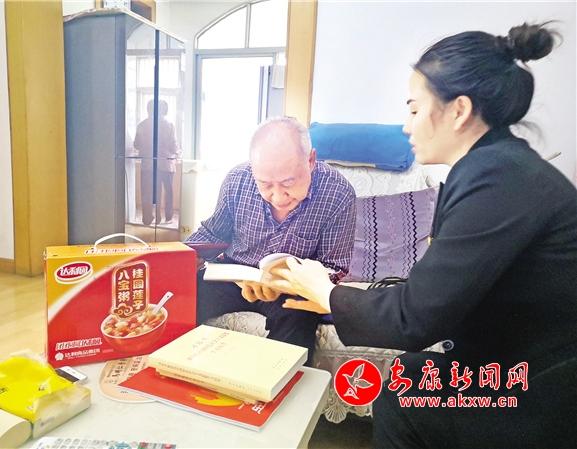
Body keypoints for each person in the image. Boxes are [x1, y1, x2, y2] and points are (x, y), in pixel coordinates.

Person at [274, 23, 577, 447]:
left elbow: (415, 318)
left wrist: (326, 293)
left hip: (539, 388)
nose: (406, 127)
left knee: (405, 401)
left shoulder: (499, 178)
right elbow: (436, 292)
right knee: (411, 375)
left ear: (459, 110)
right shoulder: (491, 167)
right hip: (511, 363)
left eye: (415, 110)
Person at [184, 116, 356, 363]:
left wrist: (285, 283)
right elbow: (213, 233)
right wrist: (181, 257)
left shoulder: (338, 193)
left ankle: (278, 382)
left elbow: (334, 266)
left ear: (311, 161)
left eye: (288, 182)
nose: (278, 196)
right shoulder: (237, 180)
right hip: (234, 276)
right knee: (181, 298)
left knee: (299, 317)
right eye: (265, 184)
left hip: (291, 286)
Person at [134, 99, 181, 225]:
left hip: (148, 164)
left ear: (148, 109)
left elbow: (137, 145)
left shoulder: (142, 125)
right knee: (168, 191)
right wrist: (178, 152)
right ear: (165, 110)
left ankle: (147, 218)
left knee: (147, 192)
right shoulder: (169, 125)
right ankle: (168, 217)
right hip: (166, 164)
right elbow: (174, 146)